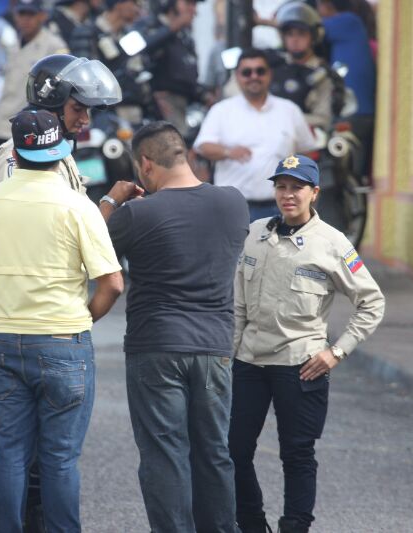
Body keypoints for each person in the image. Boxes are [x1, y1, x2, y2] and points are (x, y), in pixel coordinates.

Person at [0, 108, 124, 533]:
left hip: (6, 337)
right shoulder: (77, 205)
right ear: (61, 151)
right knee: (60, 457)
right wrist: (83, 318)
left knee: (10, 451)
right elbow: (113, 284)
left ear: (18, 152)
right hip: (64, 338)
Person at [100, 121, 249, 532]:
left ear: (145, 164)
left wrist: (112, 200)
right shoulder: (233, 203)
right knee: (214, 452)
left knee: (165, 456)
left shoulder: (136, 214)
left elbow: (90, 245)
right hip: (215, 346)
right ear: (184, 155)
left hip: (157, 346)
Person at [230, 154, 385, 533]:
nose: (287, 195)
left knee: (297, 454)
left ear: (314, 193)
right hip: (248, 360)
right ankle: (251, 524)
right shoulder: (254, 233)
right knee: (232, 451)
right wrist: (228, 353)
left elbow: (372, 302)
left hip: (301, 364)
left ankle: (294, 526)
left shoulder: (332, 244)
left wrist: (336, 352)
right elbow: (237, 302)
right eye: (281, 187)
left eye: (296, 187)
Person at [195, 48, 315, 222]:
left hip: (282, 210)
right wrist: (228, 152)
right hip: (234, 210)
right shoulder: (221, 110)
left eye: (260, 71)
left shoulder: (289, 110)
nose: (254, 76)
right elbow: (203, 146)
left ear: (269, 74)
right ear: (237, 76)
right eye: (246, 72)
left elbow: (308, 154)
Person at [0, 53, 122, 188]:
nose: (85, 120)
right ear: (51, 105)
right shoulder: (20, 152)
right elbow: (11, 205)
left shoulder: (59, 148)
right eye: (77, 109)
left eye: (86, 110)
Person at [0, 0, 68, 186]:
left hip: (30, 125)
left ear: (42, 15)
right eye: (22, 14)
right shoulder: (13, 43)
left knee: (27, 181)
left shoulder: (54, 46)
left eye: (31, 14)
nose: (25, 19)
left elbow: (63, 88)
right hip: (0, 121)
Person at [316, 0, 375, 177]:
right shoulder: (353, 26)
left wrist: (264, 22)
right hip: (357, 112)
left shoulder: (347, 21)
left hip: (354, 113)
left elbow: (307, 27)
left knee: (345, 171)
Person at [68, 0, 148, 124]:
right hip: (102, 112)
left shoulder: (130, 36)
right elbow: (82, 78)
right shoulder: (87, 32)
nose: (138, 9)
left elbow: (140, 72)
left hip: (134, 109)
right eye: (134, 3)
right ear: (118, 4)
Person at [269, 1, 344, 131]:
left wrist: (284, 118)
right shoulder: (271, 65)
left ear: (313, 36)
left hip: (306, 140)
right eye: (290, 34)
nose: (295, 40)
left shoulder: (323, 73)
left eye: (301, 34)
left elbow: (323, 119)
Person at [134, 0, 202, 135]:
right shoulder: (150, 24)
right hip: (160, 102)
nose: (193, 10)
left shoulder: (185, 35)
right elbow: (140, 49)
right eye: (188, 3)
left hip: (185, 102)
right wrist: (172, 28)